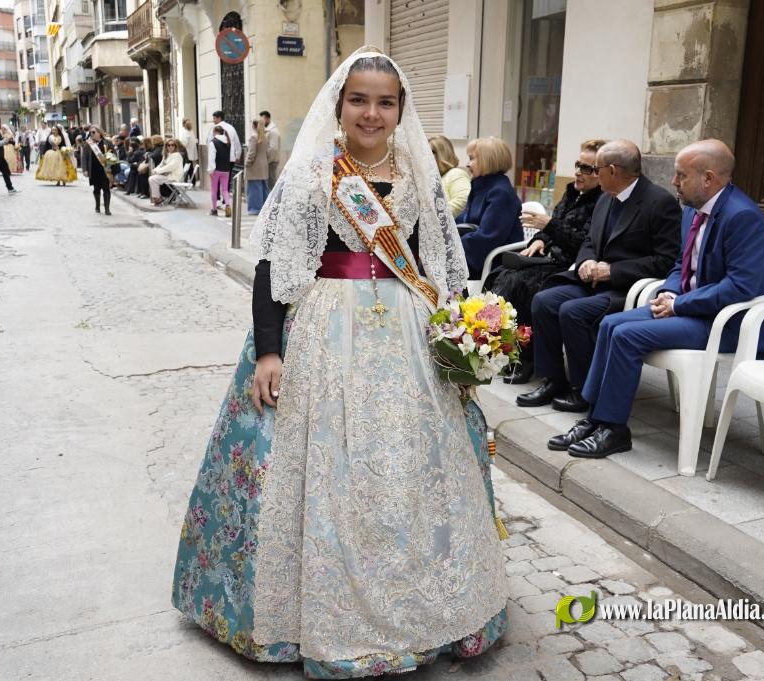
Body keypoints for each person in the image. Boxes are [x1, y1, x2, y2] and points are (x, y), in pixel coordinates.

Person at [171, 47, 508, 678]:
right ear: (339, 103)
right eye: (359, 100)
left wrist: (463, 337)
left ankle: (426, 602)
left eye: (385, 102)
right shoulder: (311, 174)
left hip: (407, 335)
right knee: (327, 466)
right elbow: (272, 268)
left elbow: (437, 265)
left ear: (401, 109)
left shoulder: (418, 176)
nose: (371, 113)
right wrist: (268, 349)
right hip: (324, 333)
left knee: (412, 467)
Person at [556, 139, 764, 458]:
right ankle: (594, 418)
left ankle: (613, 429)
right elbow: (682, 263)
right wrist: (671, 291)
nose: (673, 181)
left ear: (708, 178)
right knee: (610, 324)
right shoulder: (693, 209)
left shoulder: (742, 216)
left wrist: (679, 304)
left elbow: (739, 287)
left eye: (681, 175)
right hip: (693, 310)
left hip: (730, 323)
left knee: (626, 335)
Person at [516, 139, 680, 412]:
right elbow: (590, 241)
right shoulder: (605, 198)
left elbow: (666, 261)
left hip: (627, 289)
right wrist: (587, 261)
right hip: (592, 281)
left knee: (572, 311)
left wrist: (612, 271)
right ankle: (554, 379)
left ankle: (584, 390)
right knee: (544, 301)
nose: (592, 174)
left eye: (597, 169)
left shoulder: (659, 202)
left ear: (612, 171)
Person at [484, 138, 606, 384]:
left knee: (523, 284)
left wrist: (548, 225)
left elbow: (584, 242)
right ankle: (499, 348)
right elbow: (552, 226)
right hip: (549, 258)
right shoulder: (572, 193)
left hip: (570, 266)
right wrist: (539, 240)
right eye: (578, 165)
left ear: (601, 173)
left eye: (586, 168)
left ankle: (527, 358)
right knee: (501, 274)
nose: (578, 172)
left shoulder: (601, 202)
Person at [456, 136, 522, 278]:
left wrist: (452, 248)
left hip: (492, 262)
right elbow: (462, 220)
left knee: (432, 265)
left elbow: (488, 237)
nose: (468, 164)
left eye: (472, 158)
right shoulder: (482, 186)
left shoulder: (501, 193)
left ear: (487, 160)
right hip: (477, 253)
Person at [429, 134, 471, 217]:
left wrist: (436, 216)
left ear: (442, 154)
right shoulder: (433, 177)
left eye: (431, 152)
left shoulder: (456, 173)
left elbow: (463, 199)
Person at [83, 127, 113, 215]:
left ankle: (107, 209)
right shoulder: (89, 143)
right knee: (96, 189)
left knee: (106, 189)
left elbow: (113, 154)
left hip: (105, 169)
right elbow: (84, 157)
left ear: (99, 132)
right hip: (94, 169)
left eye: (93, 132)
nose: (92, 134)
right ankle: (97, 206)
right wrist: (85, 169)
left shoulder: (107, 142)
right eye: (90, 132)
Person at [147, 138, 184, 205]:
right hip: (167, 176)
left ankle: (158, 199)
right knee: (152, 178)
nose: (170, 146)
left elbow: (170, 167)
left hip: (174, 177)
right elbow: (161, 165)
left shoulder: (177, 155)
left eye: (172, 145)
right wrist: (155, 170)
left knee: (152, 179)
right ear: (166, 146)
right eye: (168, 145)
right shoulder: (166, 155)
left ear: (175, 146)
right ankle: (158, 198)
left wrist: (158, 171)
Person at [207, 124, 233, 216]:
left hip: (216, 170)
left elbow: (211, 158)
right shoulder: (228, 142)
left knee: (214, 190)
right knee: (225, 189)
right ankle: (227, 205)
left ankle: (214, 209)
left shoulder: (213, 142)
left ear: (215, 132)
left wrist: (210, 170)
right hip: (226, 169)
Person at [244, 119, 269, 214]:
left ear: (253, 126)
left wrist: (247, 163)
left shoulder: (253, 137)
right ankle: (264, 208)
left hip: (254, 166)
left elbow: (251, 152)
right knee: (263, 188)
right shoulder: (265, 137)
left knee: (254, 189)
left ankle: (255, 209)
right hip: (263, 166)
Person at [260, 109, 280, 185]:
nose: (261, 122)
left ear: (268, 119)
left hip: (271, 161)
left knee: (271, 182)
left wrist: (267, 160)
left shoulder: (273, 131)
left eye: (263, 119)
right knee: (268, 182)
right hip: (269, 160)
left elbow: (273, 149)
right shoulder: (268, 130)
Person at [179, 118, 199, 186]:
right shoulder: (191, 131)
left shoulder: (185, 132)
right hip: (191, 153)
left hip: (187, 153)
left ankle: (186, 182)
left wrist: (180, 145)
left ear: (183, 124)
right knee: (190, 167)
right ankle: (193, 181)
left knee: (186, 167)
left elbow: (184, 143)